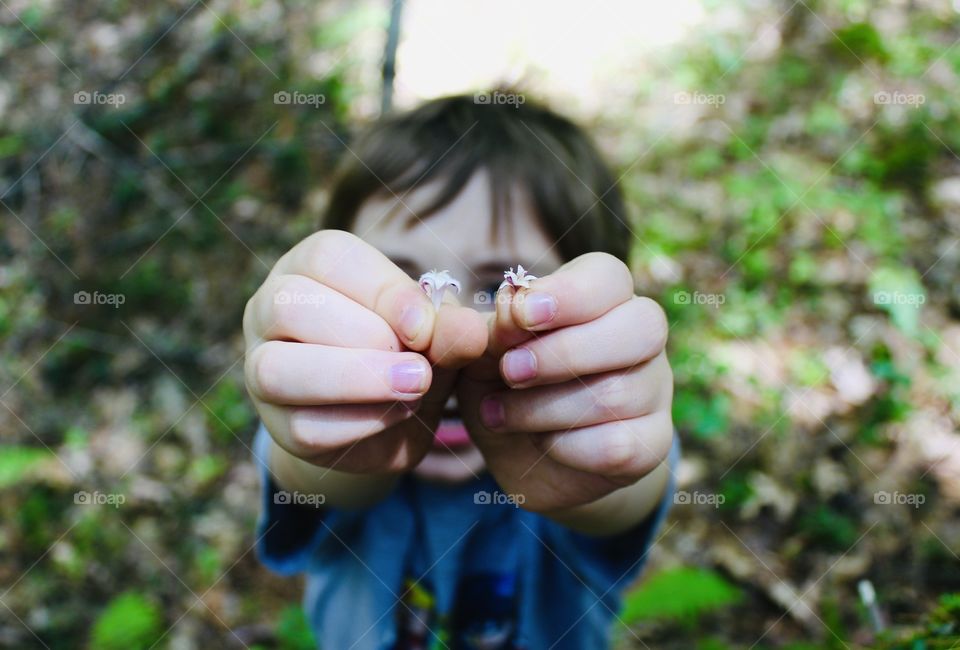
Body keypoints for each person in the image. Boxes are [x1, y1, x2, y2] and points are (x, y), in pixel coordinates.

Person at [243, 90, 680, 649]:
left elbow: (622, 481)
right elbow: (309, 466)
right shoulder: (338, 434)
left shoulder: (585, 437)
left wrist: (601, 442)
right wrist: (331, 429)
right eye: (402, 284)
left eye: (501, 288)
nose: (450, 330)